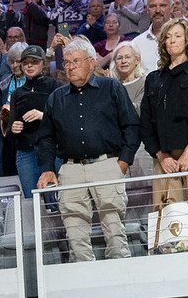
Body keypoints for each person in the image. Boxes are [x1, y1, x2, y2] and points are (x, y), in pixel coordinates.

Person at [39, 41, 141, 261]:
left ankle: (120, 281)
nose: (70, 67)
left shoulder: (112, 88)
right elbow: (46, 138)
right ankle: (84, 284)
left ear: (91, 63)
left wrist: (123, 161)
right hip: (71, 169)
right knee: (75, 234)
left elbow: (132, 125)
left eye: (76, 61)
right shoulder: (56, 98)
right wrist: (48, 169)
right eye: (67, 62)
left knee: (114, 231)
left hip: (108, 165)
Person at [139, 17, 188, 240]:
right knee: (167, 218)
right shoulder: (154, 79)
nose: (172, 40)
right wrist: (161, 155)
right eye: (167, 36)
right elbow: (145, 123)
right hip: (164, 158)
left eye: (177, 36)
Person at [0, 45, 58, 195]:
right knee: (31, 200)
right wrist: (13, 128)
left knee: (56, 199)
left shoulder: (55, 87)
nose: (30, 66)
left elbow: (65, 118)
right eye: (26, 63)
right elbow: (10, 130)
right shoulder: (17, 94)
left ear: (43, 63)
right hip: (26, 153)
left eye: (34, 62)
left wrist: (42, 115)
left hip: (52, 150)